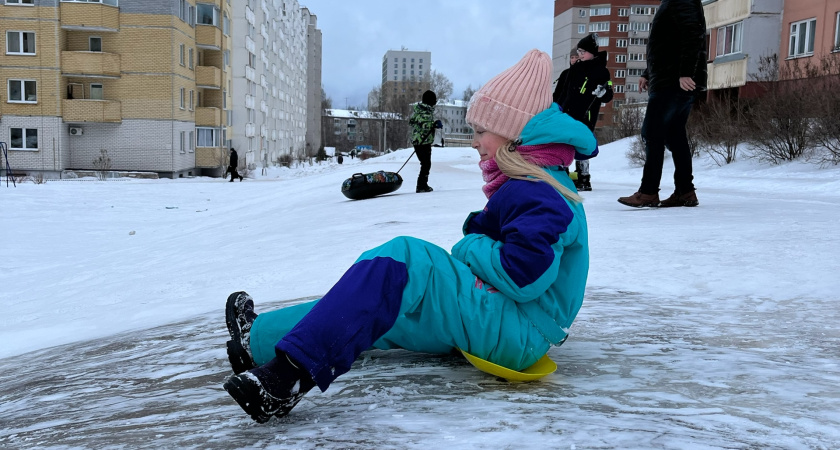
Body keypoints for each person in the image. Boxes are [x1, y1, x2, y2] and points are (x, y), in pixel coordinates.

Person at [221, 49, 598, 424]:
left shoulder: (541, 190)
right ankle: (259, 339)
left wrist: (472, 245)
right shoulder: (531, 182)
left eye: (481, 131)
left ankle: (286, 379)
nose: (474, 142)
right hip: (507, 323)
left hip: (519, 330)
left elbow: (523, 275)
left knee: (404, 260)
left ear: (514, 133)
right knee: (382, 302)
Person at [618, 0, 707, 207]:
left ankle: (648, 192)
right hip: (669, 79)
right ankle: (685, 191)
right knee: (675, 136)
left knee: (652, 133)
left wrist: (685, 72)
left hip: (673, 81)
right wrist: (648, 73)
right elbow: (666, 42)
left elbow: (693, 34)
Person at [552, 33, 613, 191]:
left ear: (592, 51)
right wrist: (557, 108)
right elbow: (564, 92)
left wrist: (603, 93)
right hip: (568, 113)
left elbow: (609, 93)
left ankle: (583, 176)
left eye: (582, 52)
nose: (579, 56)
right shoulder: (574, 70)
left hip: (587, 115)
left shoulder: (601, 71)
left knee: (581, 144)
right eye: (577, 53)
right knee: (563, 142)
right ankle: (562, 174)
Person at [408, 90, 443, 193]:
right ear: (431, 101)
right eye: (434, 100)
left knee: (425, 164)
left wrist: (433, 124)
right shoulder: (425, 111)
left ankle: (422, 185)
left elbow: (413, 122)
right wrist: (434, 124)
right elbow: (423, 124)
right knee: (426, 164)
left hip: (421, 141)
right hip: (422, 141)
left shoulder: (421, 110)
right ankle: (421, 186)